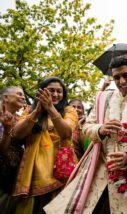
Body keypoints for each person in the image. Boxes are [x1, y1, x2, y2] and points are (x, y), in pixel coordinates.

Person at [45, 55, 127, 213]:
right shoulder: (103, 98)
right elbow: (86, 126)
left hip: (126, 174)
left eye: (126, 75)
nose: (121, 82)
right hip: (95, 168)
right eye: (116, 77)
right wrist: (101, 129)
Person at [12, 77, 78, 213]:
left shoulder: (69, 110)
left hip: (59, 170)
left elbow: (67, 133)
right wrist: (36, 112)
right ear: (42, 92)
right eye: (51, 91)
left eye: (59, 91)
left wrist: (50, 109)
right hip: (32, 172)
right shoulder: (29, 110)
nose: (55, 94)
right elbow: (17, 134)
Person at [0, 86, 26, 212]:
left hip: (12, 178)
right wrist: (6, 131)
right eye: (19, 94)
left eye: (24, 95)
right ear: (6, 97)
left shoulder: (19, 119)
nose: (23, 97)